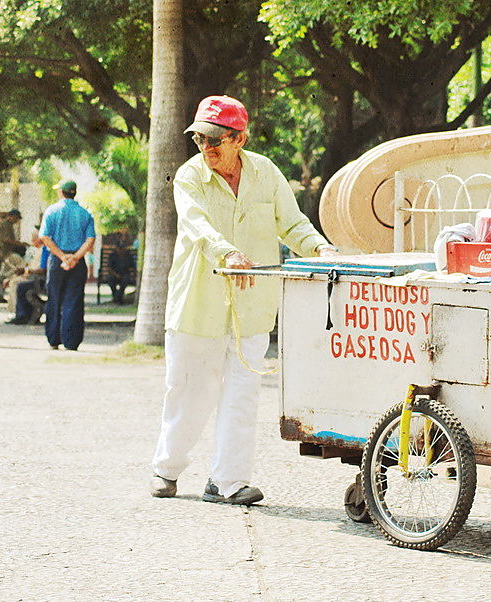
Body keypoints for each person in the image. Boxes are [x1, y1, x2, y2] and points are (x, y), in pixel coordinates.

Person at [150, 95, 338, 505]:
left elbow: (291, 224)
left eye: (216, 140)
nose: (207, 148)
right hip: (198, 302)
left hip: (252, 305)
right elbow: (196, 224)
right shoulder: (189, 176)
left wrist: (321, 250)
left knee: (242, 394)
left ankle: (227, 481)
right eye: (200, 139)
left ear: (240, 138)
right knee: (190, 392)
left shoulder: (265, 172)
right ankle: (167, 468)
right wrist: (227, 252)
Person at [39, 180, 95, 351]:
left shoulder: (51, 211)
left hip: (57, 260)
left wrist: (63, 257)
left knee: (54, 298)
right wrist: (75, 258)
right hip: (77, 262)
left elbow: (45, 237)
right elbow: (90, 239)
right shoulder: (85, 213)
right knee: (74, 300)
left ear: (61, 192)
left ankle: (54, 339)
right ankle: (71, 341)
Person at [0, 209, 25, 302]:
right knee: (1, 275)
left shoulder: (7, 225)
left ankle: (0, 295)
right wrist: (19, 244)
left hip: (5, 253)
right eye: (17, 218)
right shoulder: (6, 225)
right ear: (12, 216)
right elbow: (5, 239)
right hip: (2, 253)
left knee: (3, 274)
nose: (17, 221)